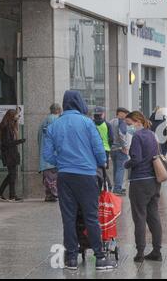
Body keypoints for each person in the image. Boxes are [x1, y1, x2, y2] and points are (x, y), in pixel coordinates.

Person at [43, 90, 117, 271]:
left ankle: (71, 259)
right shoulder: (87, 123)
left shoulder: (55, 125)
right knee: (91, 217)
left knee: (68, 218)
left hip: (65, 176)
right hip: (86, 175)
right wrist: (101, 163)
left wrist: (60, 162)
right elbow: (99, 150)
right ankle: (100, 258)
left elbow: (47, 155)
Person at [124, 111, 163, 263]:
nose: (128, 127)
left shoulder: (137, 137)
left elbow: (136, 159)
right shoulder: (152, 135)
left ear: (137, 121)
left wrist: (126, 164)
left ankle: (140, 253)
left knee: (139, 217)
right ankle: (157, 251)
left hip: (140, 181)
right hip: (154, 180)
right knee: (153, 216)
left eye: (129, 124)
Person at [0, 109, 25, 202]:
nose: (17, 116)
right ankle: (10, 195)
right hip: (9, 154)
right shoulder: (6, 127)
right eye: (16, 115)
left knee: (12, 175)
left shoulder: (10, 126)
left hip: (11, 154)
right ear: (11, 116)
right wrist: (20, 141)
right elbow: (7, 143)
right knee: (12, 174)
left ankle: (5, 194)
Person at [38, 103, 62, 202]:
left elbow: (39, 138)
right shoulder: (56, 120)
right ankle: (53, 194)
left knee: (47, 176)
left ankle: (49, 195)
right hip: (54, 155)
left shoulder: (44, 121)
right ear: (58, 110)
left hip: (45, 155)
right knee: (53, 177)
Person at [109, 107, 130, 196]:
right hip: (120, 149)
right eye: (125, 113)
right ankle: (118, 188)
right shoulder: (121, 122)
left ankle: (116, 187)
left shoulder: (111, 121)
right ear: (120, 113)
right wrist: (124, 147)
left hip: (112, 149)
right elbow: (122, 134)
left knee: (116, 169)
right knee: (120, 169)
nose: (126, 116)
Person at [93, 107, 113, 190]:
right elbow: (111, 138)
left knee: (96, 168)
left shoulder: (91, 123)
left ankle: (100, 186)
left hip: (93, 149)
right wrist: (109, 146)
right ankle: (106, 185)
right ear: (103, 114)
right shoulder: (107, 124)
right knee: (103, 168)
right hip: (105, 149)